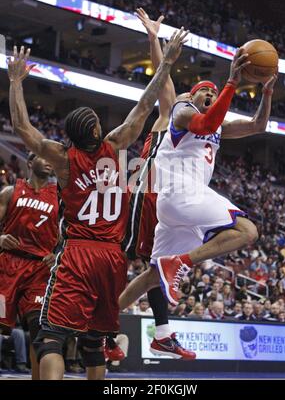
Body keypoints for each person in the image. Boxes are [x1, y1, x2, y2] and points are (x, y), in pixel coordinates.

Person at [8, 29, 188, 380]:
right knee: (93, 343)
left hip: (78, 252)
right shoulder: (115, 144)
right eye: (95, 120)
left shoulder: (63, 159)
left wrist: (16, 82)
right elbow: (144, 105)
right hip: (112, 257)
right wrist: (166, 62)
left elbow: (22, 127)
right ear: (93, 131)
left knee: (50, 339)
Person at [118, 41, 277, 308]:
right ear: (190, 97)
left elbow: (258, 125)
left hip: (178, 206)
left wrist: (268, 93)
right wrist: (231, 82)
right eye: (203, 91)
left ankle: (102, 330)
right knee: (248, 231)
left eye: (213, 94)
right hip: (181, 192)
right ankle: (181, 262)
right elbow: (206, 123)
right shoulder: (182, 112)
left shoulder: (219, 126)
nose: (209, 95)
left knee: (152, 277)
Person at [120, 8, 195, 360]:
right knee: (120, 256)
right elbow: (163, 80)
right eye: (192, 99)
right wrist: (153, 38)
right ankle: (95, 318)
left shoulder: (200, 133)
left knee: (156, 267)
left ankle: (162, 333)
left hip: (165, 199)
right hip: (145, 188)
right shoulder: (171, 115)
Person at [0, 153, 59, 379]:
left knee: (39, 331)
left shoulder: (59, 197)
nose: (48, 160)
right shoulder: (10, 191)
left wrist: (58, 254)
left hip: (39, 270)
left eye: (50, 157)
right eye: (41, 156)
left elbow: (70, 233)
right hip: (8, 266)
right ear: (29, 162)